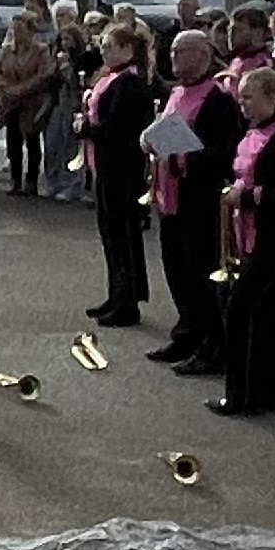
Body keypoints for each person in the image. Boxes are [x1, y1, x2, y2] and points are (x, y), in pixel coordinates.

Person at [142, 33, 245, 373]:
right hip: (170, 195)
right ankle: (187, 333)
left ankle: (212, 345)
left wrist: (180, 156)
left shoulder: (218, 99)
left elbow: (222, 153)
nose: (173, 56)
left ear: (202, 55)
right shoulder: (176, 92)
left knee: (200, 273)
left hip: (199, 199)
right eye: (172, 50)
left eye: (180, 51)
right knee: (176, 269)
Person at [211, 63, 275, 418]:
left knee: (241, 307)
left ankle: (241, 394)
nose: (243, 106)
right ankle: (271, 392)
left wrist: (247, 197)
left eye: (249, 98)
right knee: (264, 309)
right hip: (255, 230)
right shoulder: (255, 132)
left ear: (271, 97)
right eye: (240, 100)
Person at [75, 22, 159, 327]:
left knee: (123, 235)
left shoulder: (130, 83)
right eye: (103, 46)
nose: (104, 52)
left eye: (109, 46)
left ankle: (128, 301)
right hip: (107, 165)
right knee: (110, 233)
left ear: (127, 49)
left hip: (124, 168)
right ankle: (116, 294)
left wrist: (87, 129)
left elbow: (119, 128)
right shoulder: (112, 78)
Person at [0, 10, 61, 200]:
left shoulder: (41, 50)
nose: (16, 33)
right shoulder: (7, 50)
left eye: (20, 29)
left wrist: (22, 89)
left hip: (32, 103)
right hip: (10, 102)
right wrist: (7, 88)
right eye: (14, 29)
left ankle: (31, 181)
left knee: (32, 140)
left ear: (31, 31)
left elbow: (43, 76)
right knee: (12, 141)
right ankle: (15, 180)